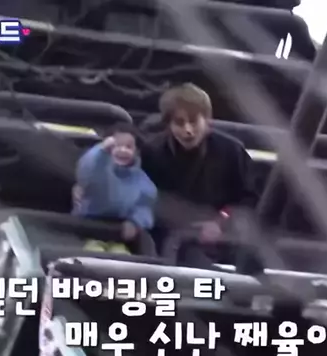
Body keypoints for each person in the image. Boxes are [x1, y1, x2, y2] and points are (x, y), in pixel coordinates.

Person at [138, 83, 257, 264]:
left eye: (193, 121)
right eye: (179, 123)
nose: (188, 130)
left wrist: (221, 222)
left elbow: (248, 199)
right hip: (171, 239)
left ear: (207, 120)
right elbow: (144, 200)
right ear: (168, 124)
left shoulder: (232, 151)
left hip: (225, 238)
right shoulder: (152, 152)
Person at [72, 123, 157, 254]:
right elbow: (87, 172)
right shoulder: (98, 167)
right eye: (116, 145)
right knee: (94, 252)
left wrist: (135, 222)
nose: (122, 150)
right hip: (88, 229)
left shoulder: (141, 180)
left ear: (136, 151)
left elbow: (144, 205)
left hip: (118, 233)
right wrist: (101, 151)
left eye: (129, 147)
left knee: (121, 257)